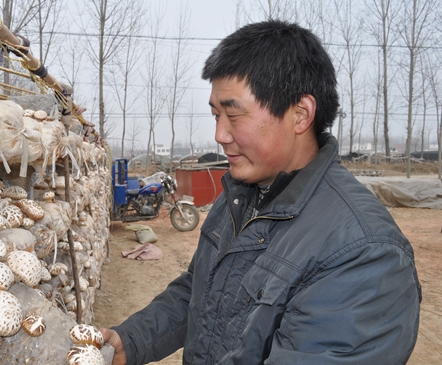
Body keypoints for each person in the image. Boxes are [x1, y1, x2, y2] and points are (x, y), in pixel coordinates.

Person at [100, 20, 421, 365]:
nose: (220, 135)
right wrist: (132, 341)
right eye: (215, 115)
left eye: (233, 115)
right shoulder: (240, 196)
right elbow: (199, 290)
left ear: (300, 115)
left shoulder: (364, 252)